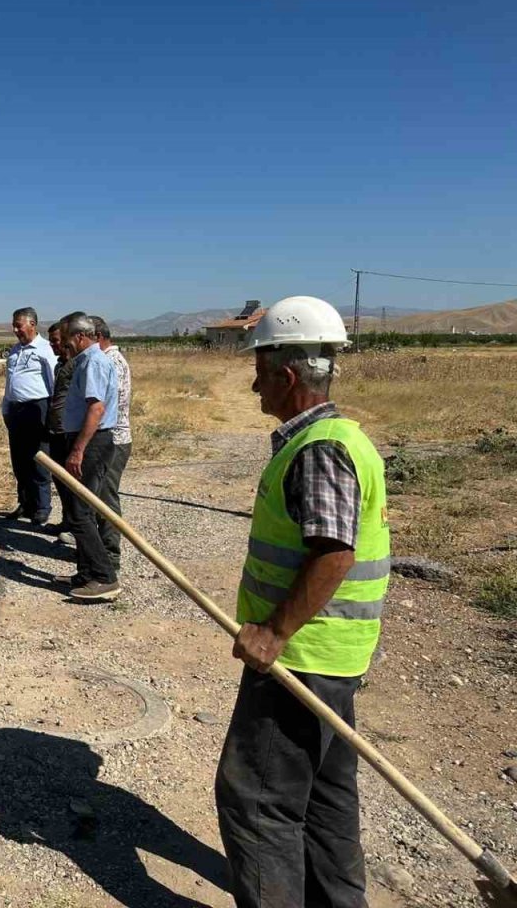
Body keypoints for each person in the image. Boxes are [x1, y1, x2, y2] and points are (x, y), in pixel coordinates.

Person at [215, 296, 390, 908]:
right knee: (325, 801)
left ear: (287, 376)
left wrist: (274, 633)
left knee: (258, 801)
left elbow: (334, 554)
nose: (254, 383)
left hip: (303, 659)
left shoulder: (319, 449)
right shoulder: (339, 438)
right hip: (333, 656)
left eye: (260, 371)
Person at [53, 312, 119, 600]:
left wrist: (78, 450)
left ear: (80, 337)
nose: (64, 346)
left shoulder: (93, 361)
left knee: (81, 512)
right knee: (77, 510)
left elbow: (96, 409)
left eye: (67, 339)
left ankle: (105, 577)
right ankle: (87, 572)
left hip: (92, 442)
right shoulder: (85, 361)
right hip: (84, 440)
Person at [1, 307, 57, 524]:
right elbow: (10, 382)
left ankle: (43, 506)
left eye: (19, 325)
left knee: (39, 459)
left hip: (38, 408)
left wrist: (52, 412)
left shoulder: (45, 349)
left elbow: (53, 381)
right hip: (16, 410)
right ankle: (25, 503)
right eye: (14, 325)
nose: (15, 329)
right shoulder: (15, 351)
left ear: (32, 324)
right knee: (19, 459)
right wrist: (6, 407)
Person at [91, 316, 132, 570]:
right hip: (109, 439)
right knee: (99, 496)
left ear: (97, 336)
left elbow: (104, 409)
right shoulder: (108, 360)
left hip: (113, 440)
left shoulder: (111, 362)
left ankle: (110, 554)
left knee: (106, 497)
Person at [45, 321, 76, 544]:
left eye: (56, 341)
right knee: (60, 480)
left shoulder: (78, 365)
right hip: (55, 430)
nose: (52, 345)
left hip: (70, 432)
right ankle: (67, 521)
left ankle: (78, 528)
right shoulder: (59, 365)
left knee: (74, 484)